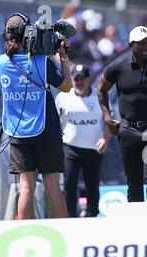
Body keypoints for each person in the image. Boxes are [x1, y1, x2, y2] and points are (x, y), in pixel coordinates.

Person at [0, 13, 72, 219]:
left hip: (17, 133)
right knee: (52, 186)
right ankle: (65, 234)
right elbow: (66, 86)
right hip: (45, 130)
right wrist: (62, 55)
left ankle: (26, 234)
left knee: (26, 187)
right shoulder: (41, 61)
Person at [97, 26, 147, 202]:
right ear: (131, 45)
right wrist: (107, 118)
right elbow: (101, 91)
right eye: (141, 43)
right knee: (133, 182)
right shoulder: (117, 68)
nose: (146, 47)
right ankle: (136, 224)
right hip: (127, 130)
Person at [55, 64, 110, 217]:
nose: (79, 82)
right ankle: (70, 216)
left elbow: (108, 121)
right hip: (70, 148)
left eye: (82, 79)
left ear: (88, 79)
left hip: (94, 148)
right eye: (76, 78)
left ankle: (92, 216)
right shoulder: (63, 97)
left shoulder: (99, 97)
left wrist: (105, 139)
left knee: (92, 185)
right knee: (69, 184)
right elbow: (54, 120)